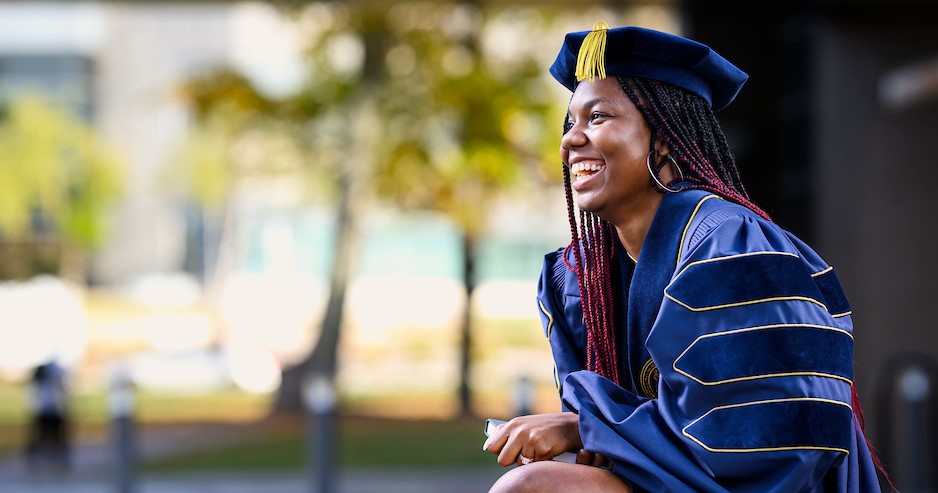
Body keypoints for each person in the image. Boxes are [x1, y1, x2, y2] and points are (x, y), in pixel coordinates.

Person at [482, 22, 887, 492]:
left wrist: (585, 427)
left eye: (599, 117)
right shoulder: (582, 280)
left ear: (667, 138)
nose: (572, 139)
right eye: (571, 121)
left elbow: (772, 446)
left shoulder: (732, 249)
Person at [25, 358, 71, 473]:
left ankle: (53, 457)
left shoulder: (44, 384)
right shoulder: (40, 385)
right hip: (47, 411)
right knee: (46, 436)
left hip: (50, 411)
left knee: (51, 436)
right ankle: (46, 457)